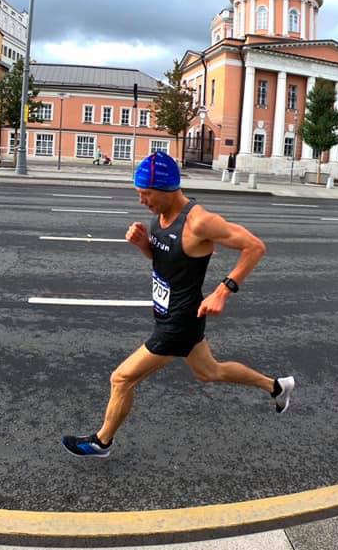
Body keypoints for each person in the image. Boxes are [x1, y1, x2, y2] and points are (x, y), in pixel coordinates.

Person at [62, 152, 294, 457]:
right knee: (210, 372)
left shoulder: (200, 222)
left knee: (121, 378)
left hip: (179, 323)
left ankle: (102, 441)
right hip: (171, 315)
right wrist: (143, 244)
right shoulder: (159, 216)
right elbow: (165, 262)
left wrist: (223, 291)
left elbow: (255, 246)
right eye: (139, 194)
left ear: (167, 190)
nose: (142, 201)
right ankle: (276, 387)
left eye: (146, 194)